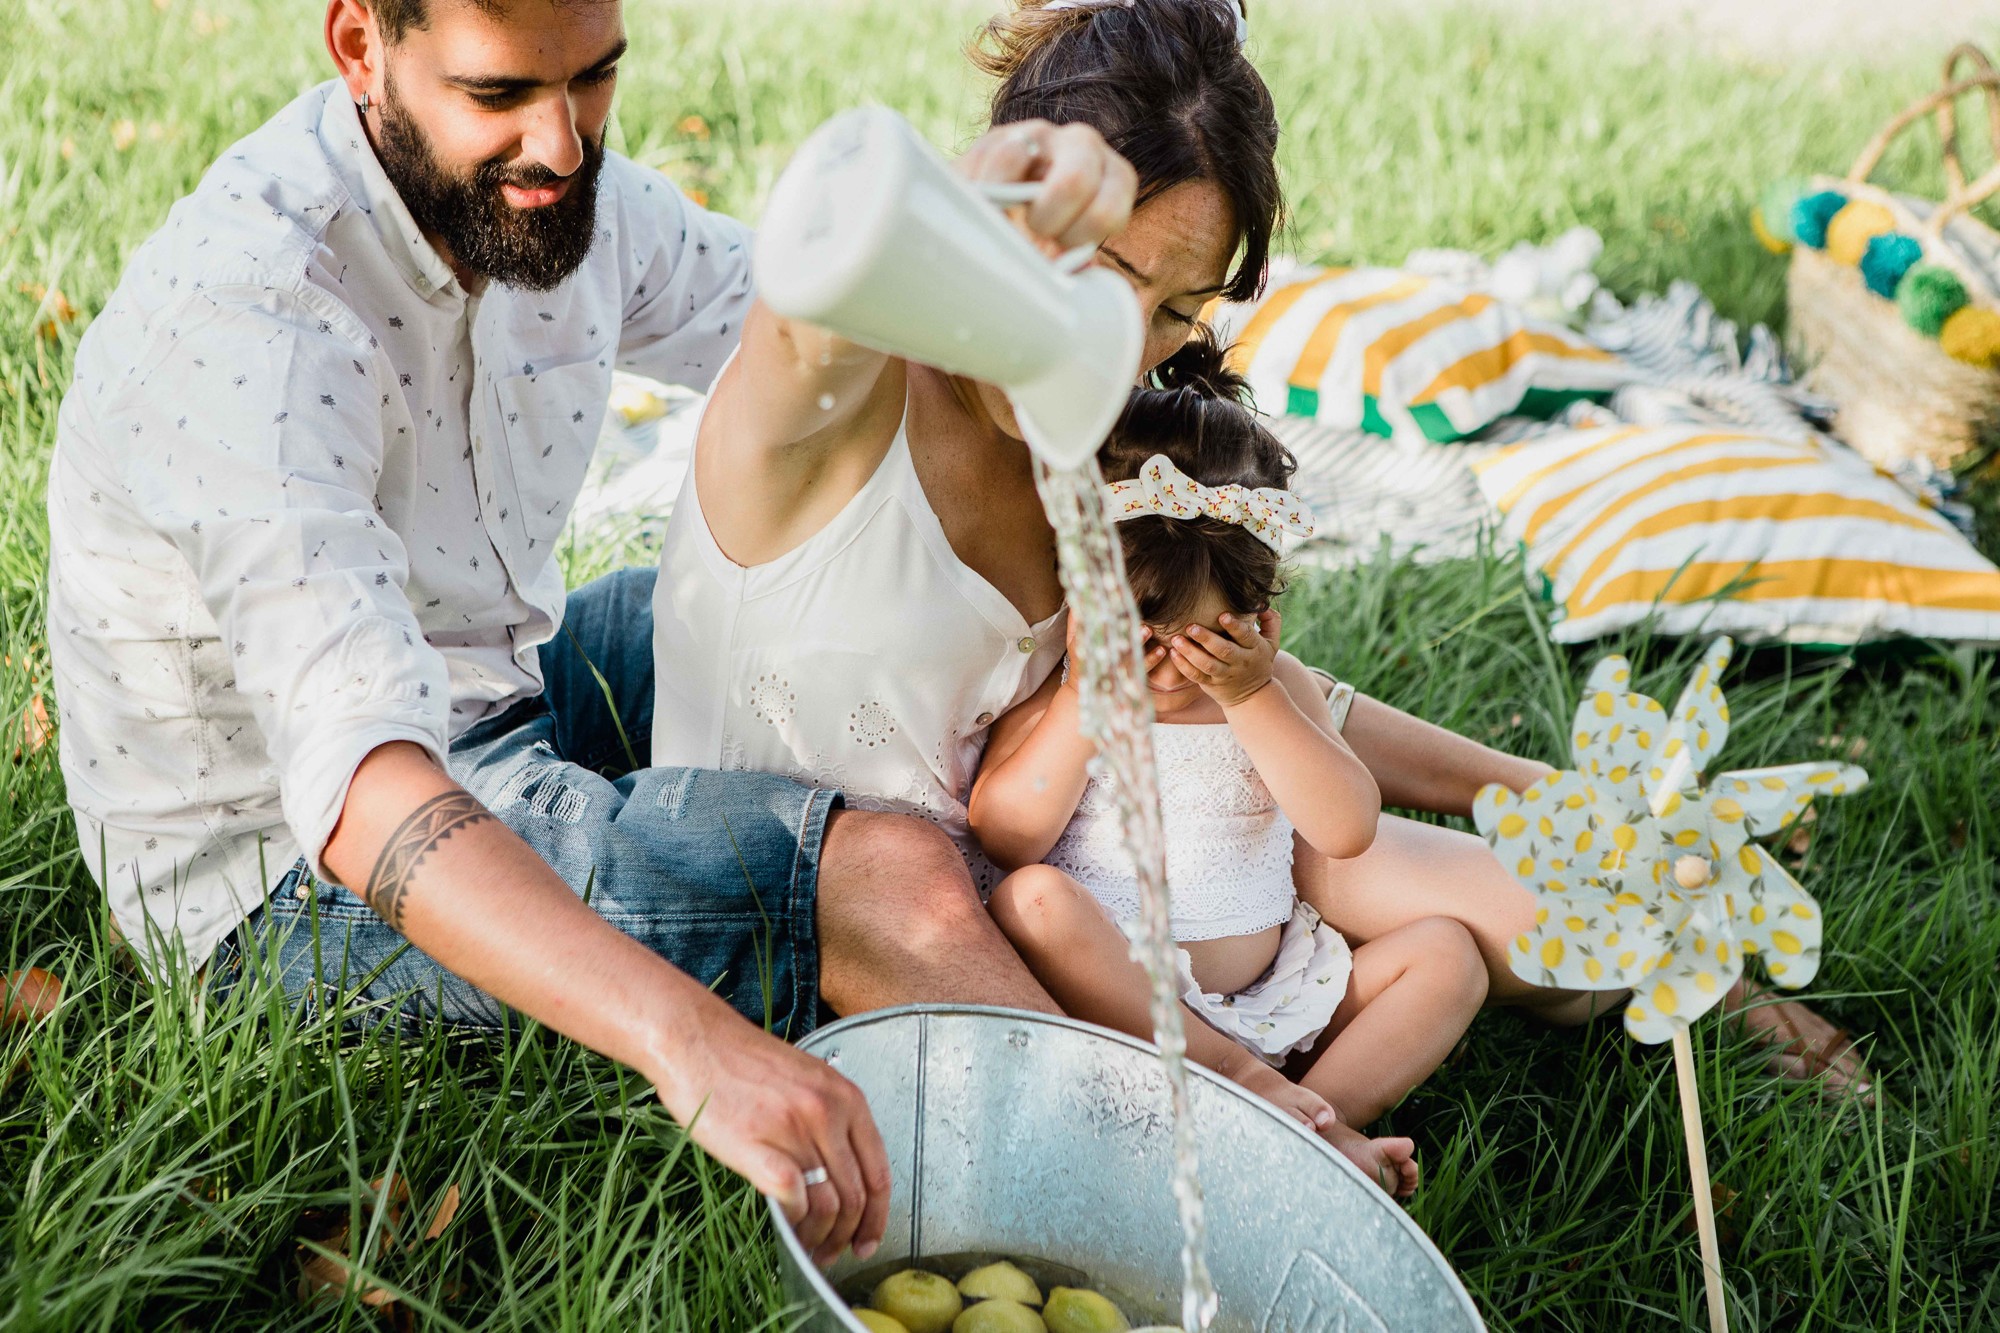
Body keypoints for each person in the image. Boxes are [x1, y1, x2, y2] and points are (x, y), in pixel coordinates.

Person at [43, 0, 1151, 1269]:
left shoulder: (562, 197)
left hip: (491, 683)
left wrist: (962, 217)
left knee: (835, 638)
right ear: (359, 47)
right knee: (884, 879)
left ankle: (1136, 956)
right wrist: (690, 1041)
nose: (562, 144)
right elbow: (360, 792)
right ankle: (1148, 1225)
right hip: (282, 873)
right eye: (499, 94)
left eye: (593, 78)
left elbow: (806, 316)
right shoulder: (256, 321)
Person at [655, 0, 1870, 1098]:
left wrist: (1530, 790)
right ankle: (1267, 1113)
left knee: (1548, 924)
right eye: (1103, 277)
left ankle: (1688, 966)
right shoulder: (822, 415)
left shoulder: (1100, 443)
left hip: (1100, 862)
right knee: (1089, 1103)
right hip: (871, 912)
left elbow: (1229, 668)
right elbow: (811, 281)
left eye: (1176, 312)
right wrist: (959, 211)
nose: (1130, 347)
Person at [968, 339, 1489, 1196]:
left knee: (1449, 955)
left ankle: (1312, 1125)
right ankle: (1249, 1093)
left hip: (1273, 1002)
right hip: (1123, 1006)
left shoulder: (1272, 691)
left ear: (1257, 617)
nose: (1167, 672)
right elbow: (1004, 834)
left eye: (1205, 646)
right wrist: (1083, 704)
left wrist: (1251, 698)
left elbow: (1346, 826)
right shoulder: (1062, 688)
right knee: (1032, 901)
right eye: (1138, 641)